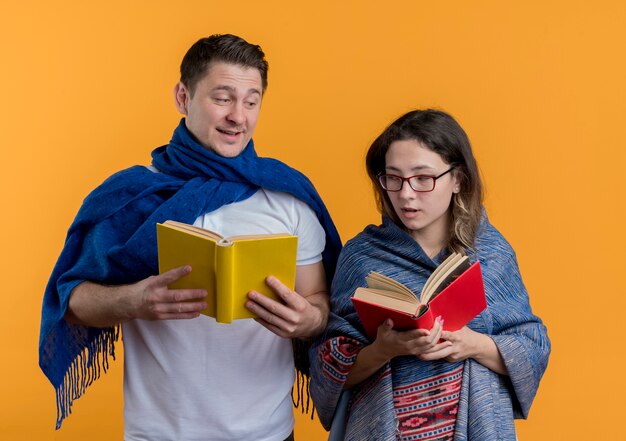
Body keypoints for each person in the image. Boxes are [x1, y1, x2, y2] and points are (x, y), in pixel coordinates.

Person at [39, 34, 342, 441]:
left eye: (251, 101)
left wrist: (308, 320)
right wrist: (134, 300)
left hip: (267, 433)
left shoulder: (288, 198)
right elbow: (69, 301)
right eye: (223, 98)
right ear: (183, 97)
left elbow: (320, 304)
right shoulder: (129, 197)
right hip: (158, 433)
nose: (239, 116)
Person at [310, 109, 550, 440]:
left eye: (423, 178)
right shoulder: (361, 256)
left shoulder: (492, 253)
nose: (406, 194)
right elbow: (327, 364)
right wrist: (384, 348)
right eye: (393, 178)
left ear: (458, 180)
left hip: (475, 425)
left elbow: (533, 345)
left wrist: (473, 344)